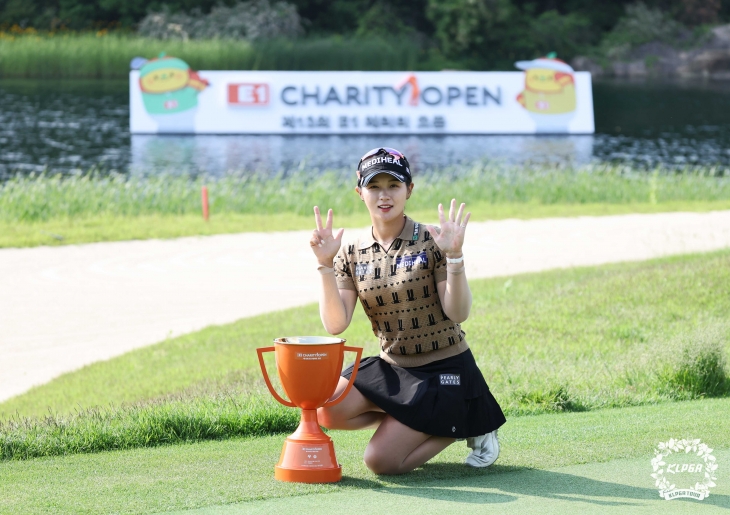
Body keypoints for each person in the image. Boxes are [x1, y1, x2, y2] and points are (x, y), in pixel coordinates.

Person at [309, 147, 506, 475]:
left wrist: (455, 257)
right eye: (374, 187)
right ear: (360, 193)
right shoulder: (351, 252)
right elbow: (335, 324)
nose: (384, 195)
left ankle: (468, 422)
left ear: (409, 190)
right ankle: (418, 419)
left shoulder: (435, 240)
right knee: (327, 408)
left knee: (381, 462)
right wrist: (325, 264)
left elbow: (458, 313)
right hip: (393, 369)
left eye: (394, 185)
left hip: (444, 371)